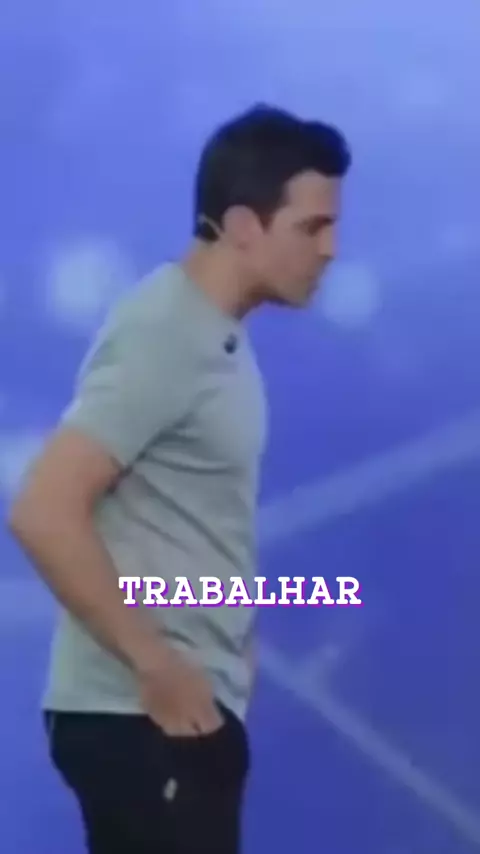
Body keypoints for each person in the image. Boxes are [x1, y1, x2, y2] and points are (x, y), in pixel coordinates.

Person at [8, 103, 351, 853]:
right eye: (312, 228)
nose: (331, 250)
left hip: (175, 718)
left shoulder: (214, 339)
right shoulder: (167, 330)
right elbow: (43, 509)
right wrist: (157, 664)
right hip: (141, 719)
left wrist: (230, 642)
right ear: (243, 225)